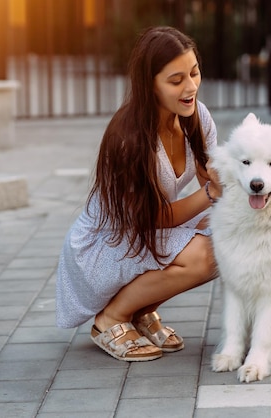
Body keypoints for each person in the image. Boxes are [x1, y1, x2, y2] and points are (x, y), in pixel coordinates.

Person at [55, 26, 223, 362]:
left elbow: (215, 176)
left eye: (194, 73)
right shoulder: (130, 138)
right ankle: (111, 319)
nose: (190, 87)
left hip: (146, 233)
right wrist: (209, 194)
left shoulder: (195, 117)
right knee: (205, 255)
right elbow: (150, 217)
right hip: (106, 243)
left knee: (226, 239)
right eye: (176, 80)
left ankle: (139, 311)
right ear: (150, 84)